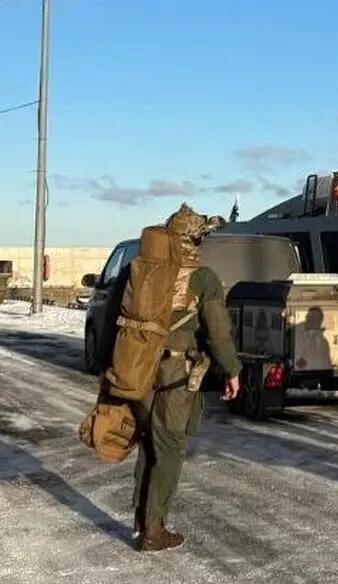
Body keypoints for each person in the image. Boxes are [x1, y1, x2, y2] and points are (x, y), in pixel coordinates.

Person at [132, 205, 241, 552]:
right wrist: (232, 370)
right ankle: (154, 530)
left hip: (137, 368)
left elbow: (112, 324)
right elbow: (218, 333)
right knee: (169, 447)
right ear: (195, 240)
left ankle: (142, 521)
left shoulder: (140, 269)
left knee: (149, 442)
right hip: (176, 374)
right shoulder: (203, 278)